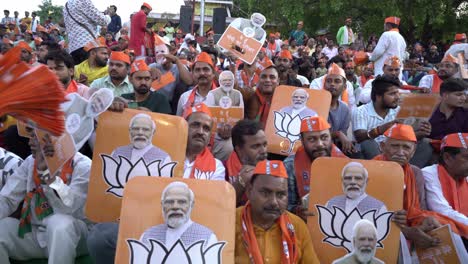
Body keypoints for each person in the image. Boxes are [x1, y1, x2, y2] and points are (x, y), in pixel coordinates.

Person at [0, 126, 92, 263]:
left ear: (54, 139)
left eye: (35, 137)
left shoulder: (83, 165)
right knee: (3, 226)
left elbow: (70, 209)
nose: (30, 142)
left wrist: (49, 178)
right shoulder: (30, 162)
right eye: (30, 137)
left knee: (59, 223)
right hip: (38, 235)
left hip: (73, 238)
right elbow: (7, 199)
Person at [375, 124, 468, 260]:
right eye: (395, 146)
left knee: (443, 226)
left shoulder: (415, 172)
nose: (400, 152)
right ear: (383, 147)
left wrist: (424, 223)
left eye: (406, 147)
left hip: (408, 224)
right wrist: (408, 231)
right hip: (380, 229)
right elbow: (370, 214)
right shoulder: (371, 170)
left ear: (413, 151)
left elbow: (419, 210)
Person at [235, 159, 320, 263]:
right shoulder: (231, 222)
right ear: (249, 192)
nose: (274, 202)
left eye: (281, 195)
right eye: (265, 193)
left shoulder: (297, 226)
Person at [284, 116, 346, 214]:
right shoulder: (290, 166)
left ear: (331, 137)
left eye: (324, 137)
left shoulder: (345, 163)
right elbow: (285, 207)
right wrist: (297, 211)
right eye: (312, 139)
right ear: (303, 141)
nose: (320, 144)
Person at [141, 182, 217, 248]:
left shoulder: (207, 238)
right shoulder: (148, 236)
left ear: (191, 205)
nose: (175, 206)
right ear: (162, 205)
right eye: (170, 202)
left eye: (182, 202)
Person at [422, 133, 468, 226]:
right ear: (447, 158)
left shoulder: (465, 175)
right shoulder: (428, 174)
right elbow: (442, 211)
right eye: (467, 157)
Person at [353, 75, 401, 159]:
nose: (397, 97)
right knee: (368, 143)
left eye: (398, 93)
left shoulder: (398, 110)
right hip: (368, 156)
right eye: (392, 94)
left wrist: (421, 132)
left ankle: (404, 170)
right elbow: (359, 137)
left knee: (424, 143)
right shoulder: (361, 111)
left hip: (392, 151)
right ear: (378, 96)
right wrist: (382, 129)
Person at [227, 120, 268, 206]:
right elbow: (222, 207)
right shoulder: (222, 169)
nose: (263, 151)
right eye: (256, 146)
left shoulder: (273, 169)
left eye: (264, 145)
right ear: (239, 150)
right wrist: (241, 182)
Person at [183, 103, 225, 180]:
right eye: (195, 125)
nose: (200, 132)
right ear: (184, 127)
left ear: (209, 136)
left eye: (206, 128)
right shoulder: (166, 157)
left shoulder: (216, 167)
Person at [63, 0, 111, 64]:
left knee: (79, 72)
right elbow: (103, 21)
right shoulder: (83, 1)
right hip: (86, 44)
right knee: (91, 72)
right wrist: (108, 15)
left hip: (73, 47)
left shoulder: (66, 6)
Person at [323, 64, 355, 154]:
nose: (332, 84)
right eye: (328, 81)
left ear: (344, 87)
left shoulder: (345, 108)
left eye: (337, 81)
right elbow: (315, 134)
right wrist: (337, 133)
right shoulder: (317, 104)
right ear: (324, 85)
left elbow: (342, 136)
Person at [176, 52, 215, 116]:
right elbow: (179, 124)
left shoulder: (221, 97)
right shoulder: (184, 97)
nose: (202, 73)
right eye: (197, 70)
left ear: (213, 73)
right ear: (192, 74)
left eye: (206, 69)